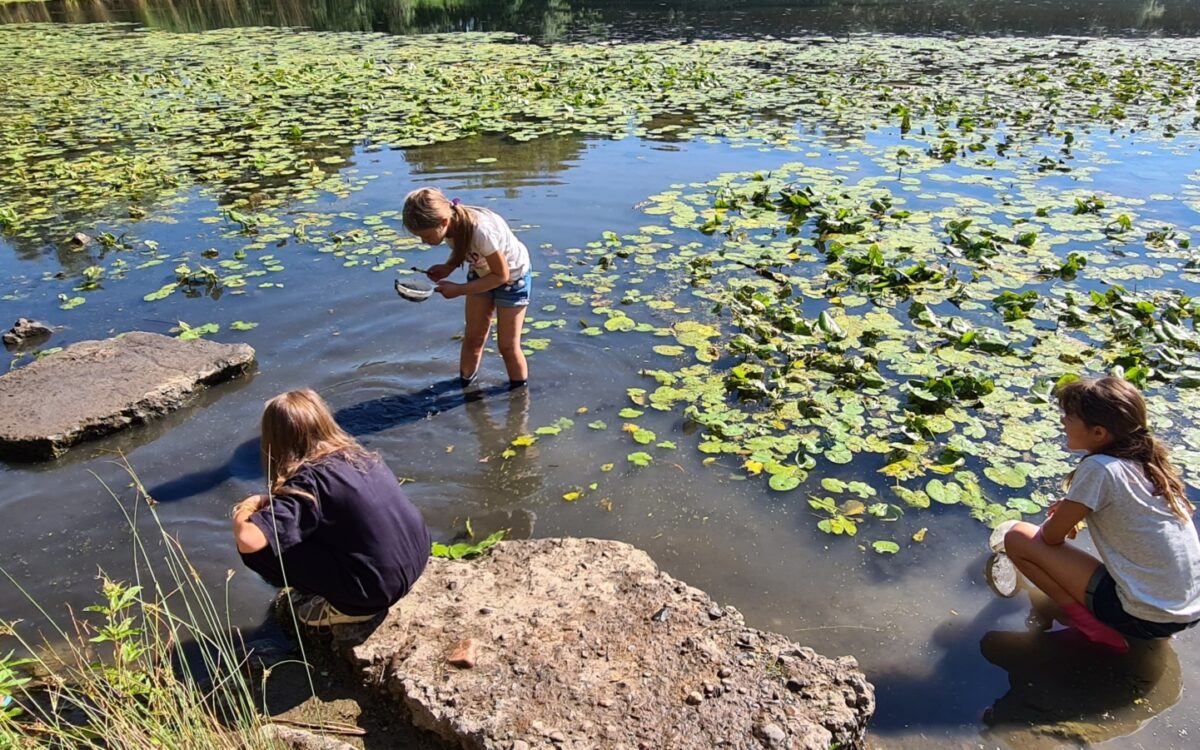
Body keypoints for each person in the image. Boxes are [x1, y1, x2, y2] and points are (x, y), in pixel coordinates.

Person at [1002, 376, 1200, 652]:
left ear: (1098, 433)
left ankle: (1089, 625)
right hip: (1187, 611)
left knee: (1017, 537)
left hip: (1143, 617)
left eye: (1069, 417)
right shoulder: (1149, 462)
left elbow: (1050, 537)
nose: (1062, 422)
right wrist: (1073, 509)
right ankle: (1154, 626)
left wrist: (1063, 518)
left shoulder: (1100, 468)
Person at [232, 389, 431, 627]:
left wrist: (246, 508)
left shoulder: (307, 484)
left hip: (377, 589)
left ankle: (352, 608)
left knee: (260, 550)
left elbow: (249, 539)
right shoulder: (359, 456)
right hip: (417, 558)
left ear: (275, 440)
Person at [402, 187, 531, 389]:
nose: (423, 242)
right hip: (481, 272)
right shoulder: (451, 225)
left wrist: (460, 289)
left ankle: (519, 395)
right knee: (473, 337)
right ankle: (466, 386)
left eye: (426, 236)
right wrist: (449, 266)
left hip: (513, 278)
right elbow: (463, 248)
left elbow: (501, 275)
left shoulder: (481, 231)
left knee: (507, 346)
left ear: (443, 222)